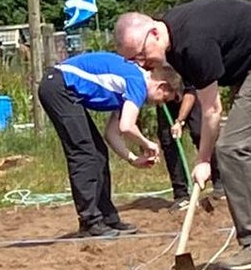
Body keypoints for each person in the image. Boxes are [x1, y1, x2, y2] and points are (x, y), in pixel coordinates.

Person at [115, 0, 251, 270]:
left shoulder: (192, 44)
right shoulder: (174, 43)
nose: (142, 64)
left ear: (154, 33)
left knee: (232, 148)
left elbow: (212, 110)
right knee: (248, 155)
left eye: (141, 55)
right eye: (134, 61)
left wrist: (203, 161)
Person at [37, 50, 172, 238]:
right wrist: (147, 143)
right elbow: (126, 126)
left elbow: (111, 133)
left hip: (62, 88)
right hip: (58, 86)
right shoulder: (137, 82)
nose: (159, 104)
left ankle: (107, 217)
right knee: (84, 153)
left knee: (98, 152)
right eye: (164, 99)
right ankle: (90, 221)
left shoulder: (132, 84)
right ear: (162, 86)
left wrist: (132, 159)